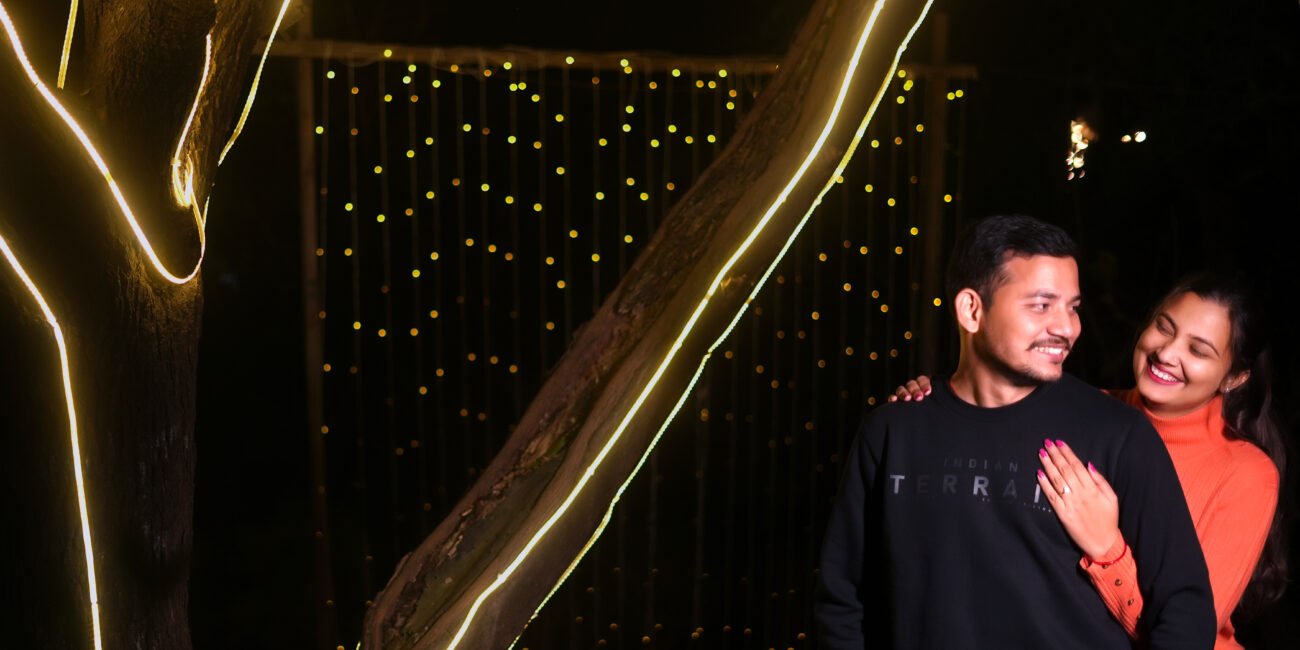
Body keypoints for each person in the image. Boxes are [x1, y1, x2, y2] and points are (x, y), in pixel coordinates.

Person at [814, 214, 1215, 649]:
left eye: (1073, 307)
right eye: (1041, 305)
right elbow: (840, 599)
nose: (1067, 327)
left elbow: (1186, 609)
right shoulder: (893, 430)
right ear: (972, 310)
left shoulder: (1118, 433)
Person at [889, 271, 1287, 649]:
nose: (1167, 352)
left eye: (1198, 350)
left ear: (1234, 377)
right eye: (1164, 327)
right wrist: (935, 403)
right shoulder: (1083, 413)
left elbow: (1188, 628)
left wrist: (1107, 549)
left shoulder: (1246, 473)